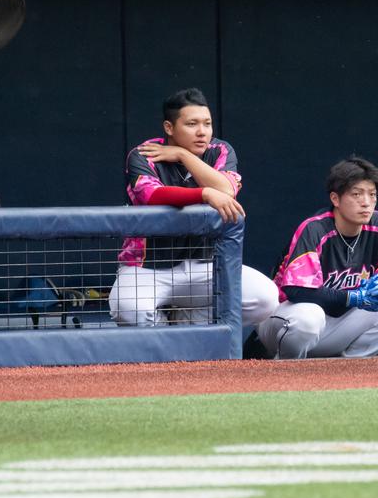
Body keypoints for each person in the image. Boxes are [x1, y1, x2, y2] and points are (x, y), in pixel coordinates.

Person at [109, 88, 278, 327]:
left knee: (264, 298)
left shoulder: (220, 150)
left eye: (207, 124)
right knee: (127, 310)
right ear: (169, 127)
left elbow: (227, 190)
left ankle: (188, 322)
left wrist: (182, 155)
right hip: (148, 267)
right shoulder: (144, 153)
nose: (202, 132)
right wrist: (204, 193)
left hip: (206, 266)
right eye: (191, 124)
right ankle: (164, 335)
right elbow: (153, 195)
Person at [255, 157, 378, 358]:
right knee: (309, 317)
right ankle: (288, 367)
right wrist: (352, 297)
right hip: (285, 318)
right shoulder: (314, 229)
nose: (366, 202)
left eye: (372, 195)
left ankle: (347, 370)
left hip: (336, 324)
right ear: (335, 199)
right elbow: (297, 291)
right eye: (356, 194)